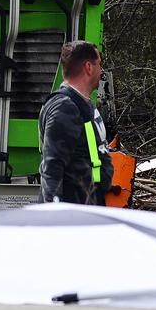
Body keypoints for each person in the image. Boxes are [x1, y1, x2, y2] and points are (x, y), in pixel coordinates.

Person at [38, 40, 112, 204]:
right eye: (99, 64)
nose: (101, 71)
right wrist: (53, 212)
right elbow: (52, 166)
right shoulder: (65, 107)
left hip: (86, 206)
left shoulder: (81, 104)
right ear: (89, 67)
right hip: (72, 212)